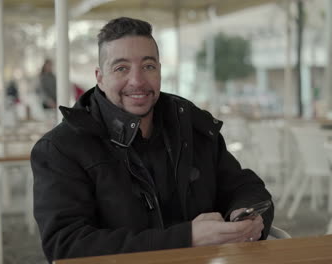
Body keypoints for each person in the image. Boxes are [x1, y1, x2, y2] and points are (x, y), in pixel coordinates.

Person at [31, 17, 274, 263]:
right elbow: (66, 245)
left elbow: (246, 188)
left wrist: (245, 216)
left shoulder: (189, 124)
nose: (137, 80)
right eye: (121, 68)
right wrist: (186, 239)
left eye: (148, 66)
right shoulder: (61, 148)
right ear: (100, 77)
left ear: (159, 70)